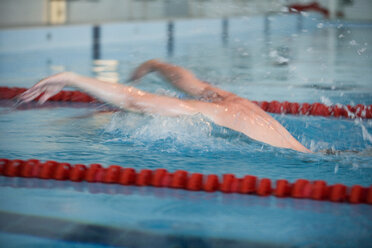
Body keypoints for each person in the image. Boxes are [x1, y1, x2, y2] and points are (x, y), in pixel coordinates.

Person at [19, 59, 312, 153]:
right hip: (312, 153)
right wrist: (156, 65)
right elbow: (191, 83)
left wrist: (71, 77)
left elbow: (136, 101)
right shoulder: (232, 102)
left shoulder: (211, 110)